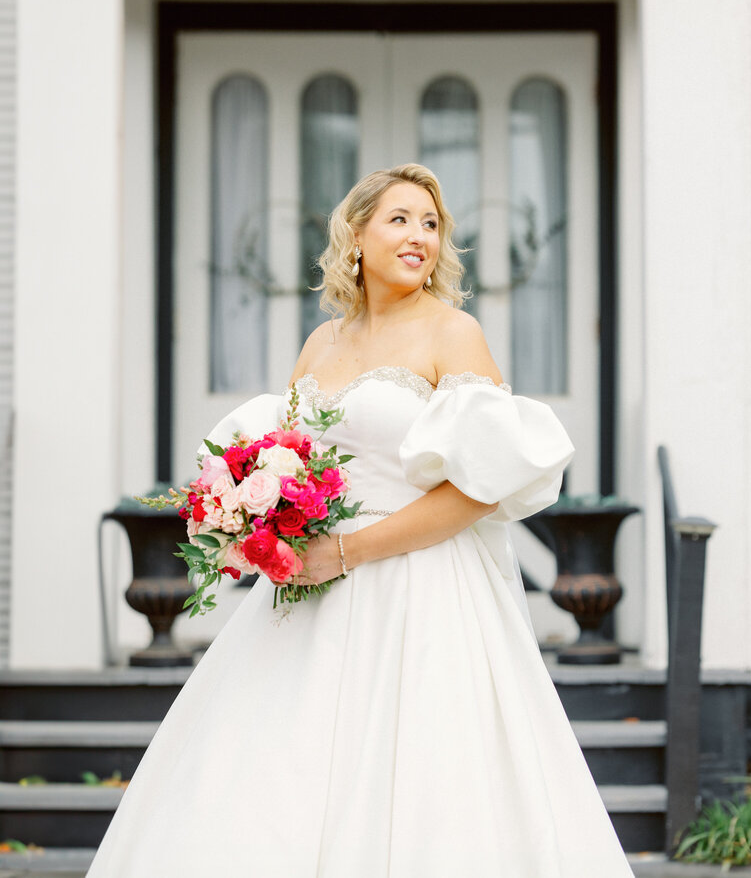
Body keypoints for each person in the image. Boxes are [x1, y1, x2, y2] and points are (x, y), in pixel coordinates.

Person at [87, 163, 634, 877]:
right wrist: (254, 520)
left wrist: (347, 550)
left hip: (422, 587)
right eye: (400, 219)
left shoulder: (453, 334)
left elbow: (477, 490)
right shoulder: (322, 345)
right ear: (356, 234)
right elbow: (285, 460)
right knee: (275, 775)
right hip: (306, 596)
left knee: (420, 782)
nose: (419, 236)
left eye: (432, 224)